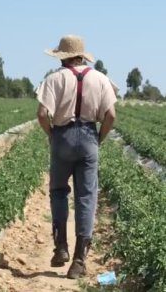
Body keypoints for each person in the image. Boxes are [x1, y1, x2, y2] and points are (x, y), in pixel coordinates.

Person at [36, 34, 117, 279]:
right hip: (89, 137)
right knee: (86, 197)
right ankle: (79, 262)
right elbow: (111, 115)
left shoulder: (54, 79)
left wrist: (52, 135)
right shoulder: (101, 79)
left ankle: (61, 246)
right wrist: (98, 139)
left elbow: (42, 113)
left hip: (62, 137)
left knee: (59, 191)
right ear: (82, 56)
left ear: (62, 57)